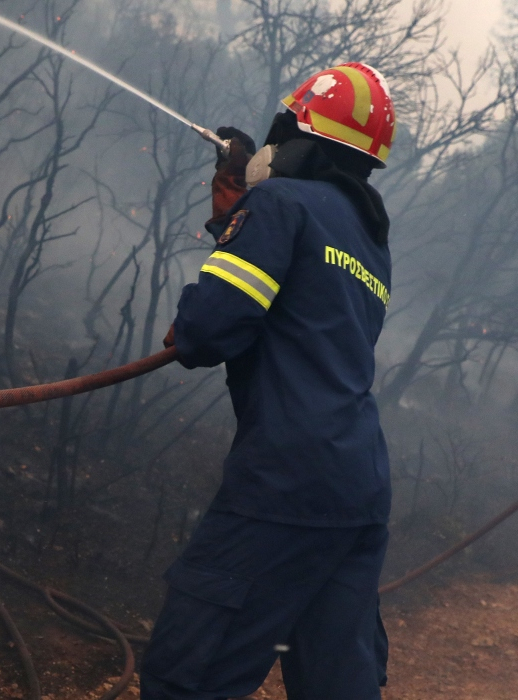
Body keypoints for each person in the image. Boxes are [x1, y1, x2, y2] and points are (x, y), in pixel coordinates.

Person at [142, 63, 396, 700]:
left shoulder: (280, 204)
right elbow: (299, 326)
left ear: (296, 134)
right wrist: (234, 218)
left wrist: (239, 211)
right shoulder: (366, 241)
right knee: (338, 683)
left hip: (285, 482)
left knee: (188, 674)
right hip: (358, 488)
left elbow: (206, 333)